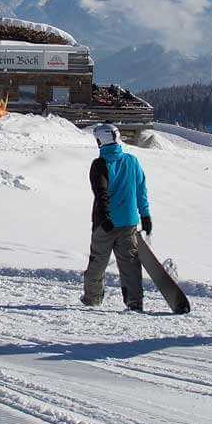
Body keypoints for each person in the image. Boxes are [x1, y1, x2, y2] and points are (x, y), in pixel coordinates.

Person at [82, 123, 152, 312]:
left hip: (105, 224)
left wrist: (104, 217)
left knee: (98, 262)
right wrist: (145, 215)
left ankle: (92, 299)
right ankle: (135, 302)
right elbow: (141, 190)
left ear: (100, 141)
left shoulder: (100, 164)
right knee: (130, 265)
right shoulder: (132, 161)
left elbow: (100, 192)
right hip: (129, 222)